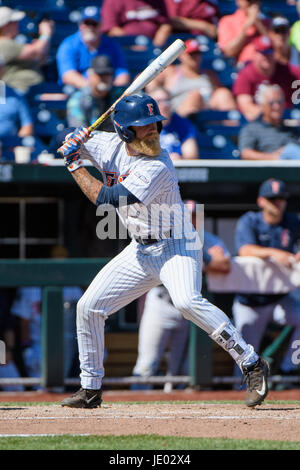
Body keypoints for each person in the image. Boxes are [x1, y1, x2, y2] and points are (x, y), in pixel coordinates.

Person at [57, 91, 269, 409]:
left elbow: (108, 199)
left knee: (186, 301)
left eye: (155, 123)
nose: (154, 129)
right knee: (88, 307)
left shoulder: (157, 164)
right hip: (140, 249)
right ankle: (90, 388)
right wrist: (74, 138)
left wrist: (74, 164)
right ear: (125, 130)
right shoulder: (106, 143)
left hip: (176, 243)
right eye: (145, 125)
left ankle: (252, 363)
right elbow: (71, 141)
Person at [132, 201, 231, 391]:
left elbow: (225, 265)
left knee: (180, 370)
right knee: (146, 364)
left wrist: (205, 258)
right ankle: (134, 408)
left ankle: (174, 416)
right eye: (187, 215)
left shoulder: (206, 238)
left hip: (188, 308)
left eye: (195, 216)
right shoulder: (165, 236)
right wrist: (207, 258)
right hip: (161, 304)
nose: (191, 219)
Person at [233, 178, 300, 377]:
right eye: (272, 199)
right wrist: (274, 253)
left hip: (279, 298)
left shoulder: (292, 221)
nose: (278, 202)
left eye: (281, 198)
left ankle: (290, 367)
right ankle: (239, 390)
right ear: (262, 201)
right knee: (244, 360)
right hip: (250, 301)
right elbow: (244, 250)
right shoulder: (250, 220)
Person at [10, 246, 83, 385]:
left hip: (66, 343)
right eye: (56, 261)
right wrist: (27, 348)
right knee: (41, 387)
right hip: (38, 345)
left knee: (62, 386)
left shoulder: (73, 287)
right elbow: (23, 322)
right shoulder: (30, 288)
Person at [146, 38, 237, 117]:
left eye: (197, 53)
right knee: (195, 96)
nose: (195, 57)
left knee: (224, 93)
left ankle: (232, 132)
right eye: (191, 54)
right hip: (179, 110)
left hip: (206, 108)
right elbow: (148, 79)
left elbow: (217, 95)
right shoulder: (172, 71)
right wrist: (155, 91)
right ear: (181, 56)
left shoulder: (209, 75)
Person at [56, 6, 130, 90]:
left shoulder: (112, 45)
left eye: (94, 24)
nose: (90, 28)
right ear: (80, 25)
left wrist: (109, 90)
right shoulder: (69, 44)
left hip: (107, 89)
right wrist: (93, 89)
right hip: (79, 90)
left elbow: (122, 74)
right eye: (87, 23)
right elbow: (68, 75)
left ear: (101, 26)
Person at [233, 35, 300, 121]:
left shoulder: (288, 71)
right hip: (258, 125)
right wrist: (271, 112)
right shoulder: (245, 75)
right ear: (255, 54)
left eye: (269, 52)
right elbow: (247, 109)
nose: (266, 57)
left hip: (287, 123)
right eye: (262, 53)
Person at [0, 6, 54, 94]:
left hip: (29, 91)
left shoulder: (13, 42)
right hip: (19, 91)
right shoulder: (4, 43)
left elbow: (38, 58)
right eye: (14, 22)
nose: (17, 24)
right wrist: (45, 34)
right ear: (6, 25)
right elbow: (36, 52)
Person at [239, 84, 300, 160]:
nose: (276, 107)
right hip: (267, 170)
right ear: (262, 106)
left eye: (279, 102)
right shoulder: (251, 129)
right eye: (271, 103)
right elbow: (246, 153)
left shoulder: (291, 129)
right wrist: (274, 157)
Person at [66, 55, 125, 132]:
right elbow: (78, 132)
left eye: (107, 74)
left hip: (119, 140)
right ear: (90, 76)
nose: (103, 78)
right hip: (91, 141)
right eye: (99, 74)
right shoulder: (78, 100)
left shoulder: (121, 96)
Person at [148, 86, 199, 160]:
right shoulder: (143, 126)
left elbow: (191, 154)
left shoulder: (182, 124)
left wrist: (180, 158)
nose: (164, 105)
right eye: (158, 101)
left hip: (177, 167)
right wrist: (165, 158)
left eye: (167, 101)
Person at [217, 0, 270, 67]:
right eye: (248, 1)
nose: (252, 4)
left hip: (267, 67)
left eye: (255, 1)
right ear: (238, 1)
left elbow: (276, 49)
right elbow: (229, 52)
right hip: (243, 67)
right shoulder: (227, 21)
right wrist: (247, 26)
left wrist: (258, 23)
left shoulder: (267, 22)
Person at [100, 0, 172, 48]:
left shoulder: (158, 1)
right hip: (127, 49)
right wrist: (131, 43)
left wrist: (156, 45)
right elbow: (112, 28)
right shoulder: (113, 1)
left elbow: (165, 24)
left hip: (154, 47)